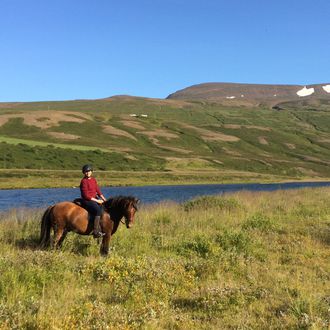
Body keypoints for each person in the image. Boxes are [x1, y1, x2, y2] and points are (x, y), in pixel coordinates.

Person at [80, 164, 107, 238]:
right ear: (84, 172)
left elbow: (98, 190)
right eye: (86, 171)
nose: (88, 173)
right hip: (87, 200)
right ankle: (95, 231)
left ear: (91, 172)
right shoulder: (83, 181)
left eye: (89, 171)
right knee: (98, 210)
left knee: (104, 208)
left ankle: (101, 228)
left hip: (94, 198)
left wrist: (104, 199)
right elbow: (86, 195)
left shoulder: (93, 180)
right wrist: (97, 201)